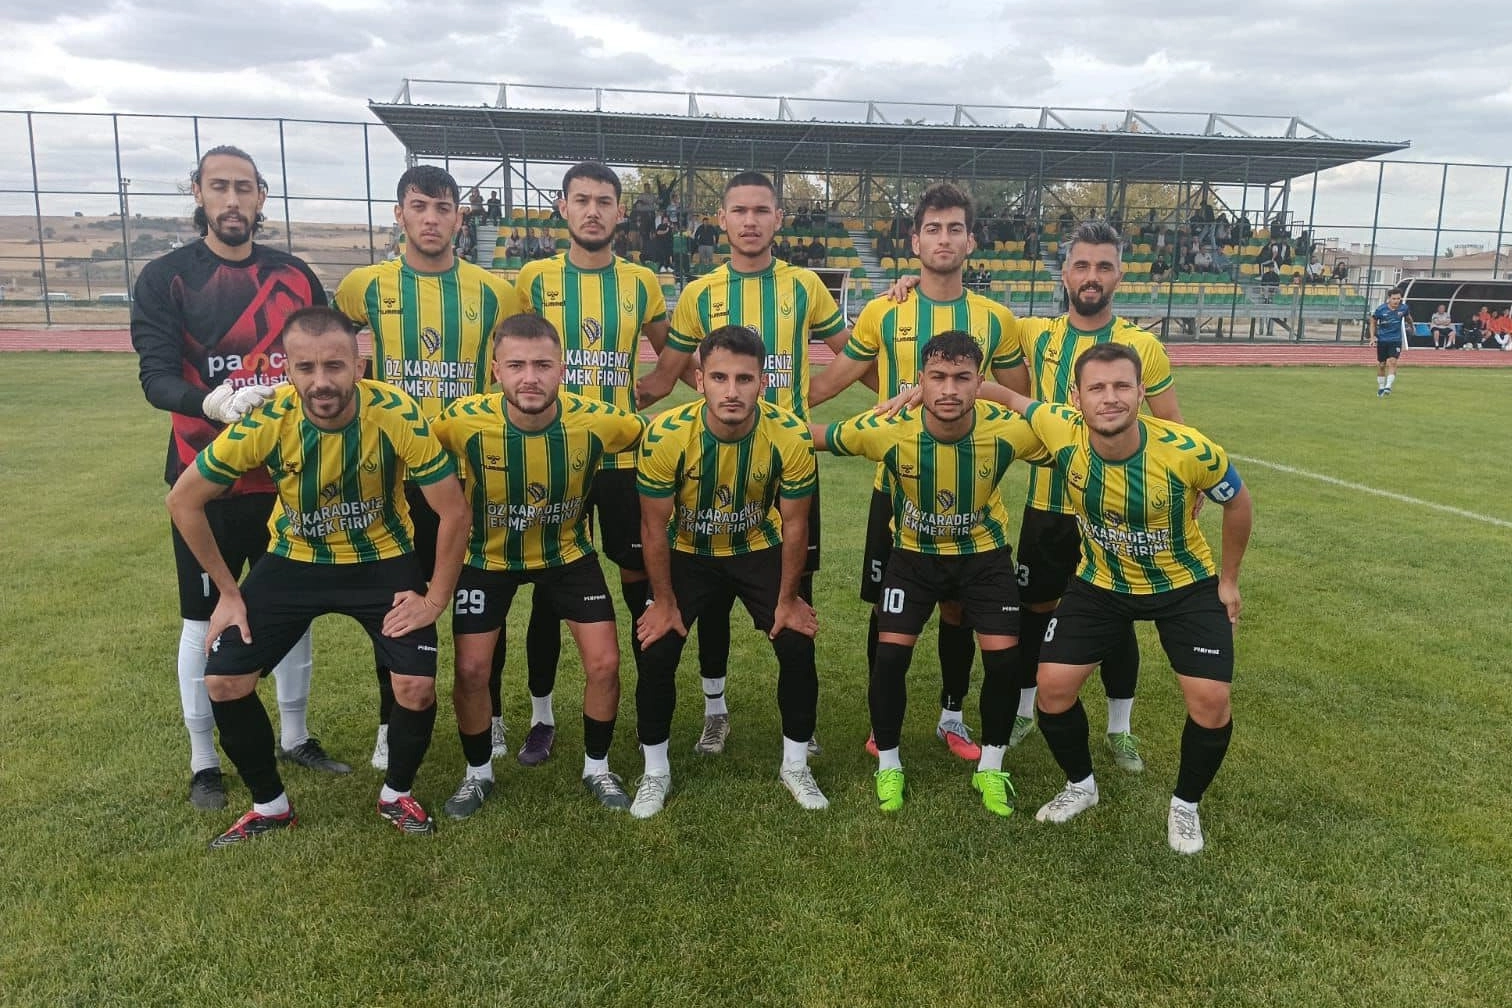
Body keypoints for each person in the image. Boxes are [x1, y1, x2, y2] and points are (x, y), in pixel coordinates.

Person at [166, 306, 470, 847]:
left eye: (334, 365)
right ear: (287, 369)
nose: (320, 381)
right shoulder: (269, 418)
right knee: (224, 680)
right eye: (305, 368)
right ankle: (270, 806)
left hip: (381, 559)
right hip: (294, 561)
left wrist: (434, 599)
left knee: (416, 687)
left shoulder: (396, 412)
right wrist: (229, 593)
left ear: (359, 365)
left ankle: (396, 794)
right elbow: (183, 499)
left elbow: (454, 510)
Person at [131, 145, 344, 813]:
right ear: (196, 192)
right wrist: (212, 403)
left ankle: (296, 736)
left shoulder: (294, 275)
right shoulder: (166, 277)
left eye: (243, 187)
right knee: (203, 619)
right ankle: (204, 761)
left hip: (287, 480)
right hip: (208, 483)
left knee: (292, 609)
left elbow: (323, 360)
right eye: (218, 186)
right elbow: (155, 377)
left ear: (261, 198)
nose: (231, 199)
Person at [989, 343, 1252, 854]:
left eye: (1121, 386)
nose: (1109, 398)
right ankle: (1081, 785)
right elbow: (1005, 395)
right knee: (1052, 690)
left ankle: (1185, 805)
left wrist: (1229, 580)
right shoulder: (1060, 428)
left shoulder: (1188, 450)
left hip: (1184, 585)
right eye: (1097, 388)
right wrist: (921, 393)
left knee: (1211, 702)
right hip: (1101, 584)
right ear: (1077, 398)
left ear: (1140, 392)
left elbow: (1238, 502)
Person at [808, 181, 1028, 761]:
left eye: (955, 228)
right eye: (933, 228)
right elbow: (831, 382)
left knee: (959, 610)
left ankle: (952, 717)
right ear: (914, 240)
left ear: (972, 240)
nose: (944, 238)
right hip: (896, 488)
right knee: (886, 609)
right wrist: (766, 417)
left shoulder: (996, 319)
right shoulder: (886, 310)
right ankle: (882, 726)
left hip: (970, 492)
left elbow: (1022, 399)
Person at [635, 171, 848, 756]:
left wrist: (809, 398)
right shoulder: (700, 293)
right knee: (710, 588)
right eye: (739, 211)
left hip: (786, 459)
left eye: (761, 210)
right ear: (722, 220)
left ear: (778, 218)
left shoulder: (805, 284)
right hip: (716, 456)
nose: (750, 221)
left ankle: (800, 727)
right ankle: (715, 709)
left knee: (792, 589)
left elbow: (853, 354)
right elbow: (667, 374)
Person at [335, 164, 525, 769]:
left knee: (480, 604)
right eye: (419, 206)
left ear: (460, 218)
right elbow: (330, 351)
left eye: (443, 208)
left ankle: (492, 714)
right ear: (399, 215)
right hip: (390, 479)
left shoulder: (496, 292)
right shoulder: (364, 286)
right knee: (394, 604)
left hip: (470, 476)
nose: (431, 218)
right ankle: (389, 721)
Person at [813, 332, 1048, 815]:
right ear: (920, 381)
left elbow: (1075, 434)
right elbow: (815, 436)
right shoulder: (887, 429)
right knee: (890, 659)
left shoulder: (1007, 430)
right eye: (938, 377)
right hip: (912, 558)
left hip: (984, 558)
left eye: (963, 378)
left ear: (979, 382)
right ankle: (889, 765)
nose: (949, 389)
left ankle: (991, 768)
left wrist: (1011, 398)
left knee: (1005, 663)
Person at [432, 313, 646, 816]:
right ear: (495, 370)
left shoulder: (600, 420)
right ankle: (477, 774)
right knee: (471, 670)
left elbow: (661, 435)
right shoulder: (459, 421)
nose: (530, 377)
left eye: (543, 365)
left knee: (605, 664)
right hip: (487, 557)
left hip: (567, 555)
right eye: (516, 365)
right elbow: (405, 444)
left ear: (563, 369)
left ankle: (598, 767)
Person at [510, 162, 670, 768]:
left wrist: (647, 391)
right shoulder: (535, 277)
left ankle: (645, 709)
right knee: (549, 588)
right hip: (551, 459)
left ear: (620, 211)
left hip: (622, 460)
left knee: (639, 582)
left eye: (605, 201)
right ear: (563, 207)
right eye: (582, 200)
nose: (593, 211)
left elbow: (673, 351)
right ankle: (542, 718)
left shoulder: (641, 281)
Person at [631, 325, 825, 818]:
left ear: (763, 382)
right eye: (719, 377)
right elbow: (653, 528)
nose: (732, 391)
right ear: (700, 380)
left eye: (744, 378)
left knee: (797, 642)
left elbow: (796, 525)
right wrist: (664, 602)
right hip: (688, 550)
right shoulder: (665, 435)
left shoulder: (790, 434)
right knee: (656, 648)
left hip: (756, 545)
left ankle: (796, 764)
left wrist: (788, 600)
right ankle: (655, 772)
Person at [1370, 288, 1413, 396]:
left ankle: (1388, 386)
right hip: (1383, 339)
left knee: (1393, 361)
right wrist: (1372, 337)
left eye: (1398, 298)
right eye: (1394, 299)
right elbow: (1373, 321)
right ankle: (1381, 387)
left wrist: (1412, 326)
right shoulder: (1381, 309)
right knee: (1382, 364)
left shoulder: (1403, 308)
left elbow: (1408, 318)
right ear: (1389, 298)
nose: (1396, 301)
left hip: (1396, 340)